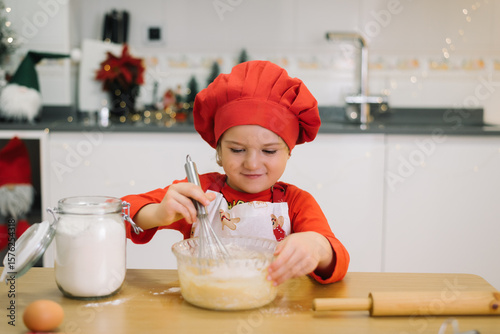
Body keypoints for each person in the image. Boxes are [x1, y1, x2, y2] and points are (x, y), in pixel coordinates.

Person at [122, 60, 349, 285]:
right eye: (237, 150)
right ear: (218, 151)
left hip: (274, 316)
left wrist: (317, 247)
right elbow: (120, 214)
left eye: (269, 151)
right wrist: (159, 214)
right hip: (205, 308)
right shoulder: (200, 193)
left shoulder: (296, 204)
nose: (252, 163)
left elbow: (337, 261)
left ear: (289, 153)